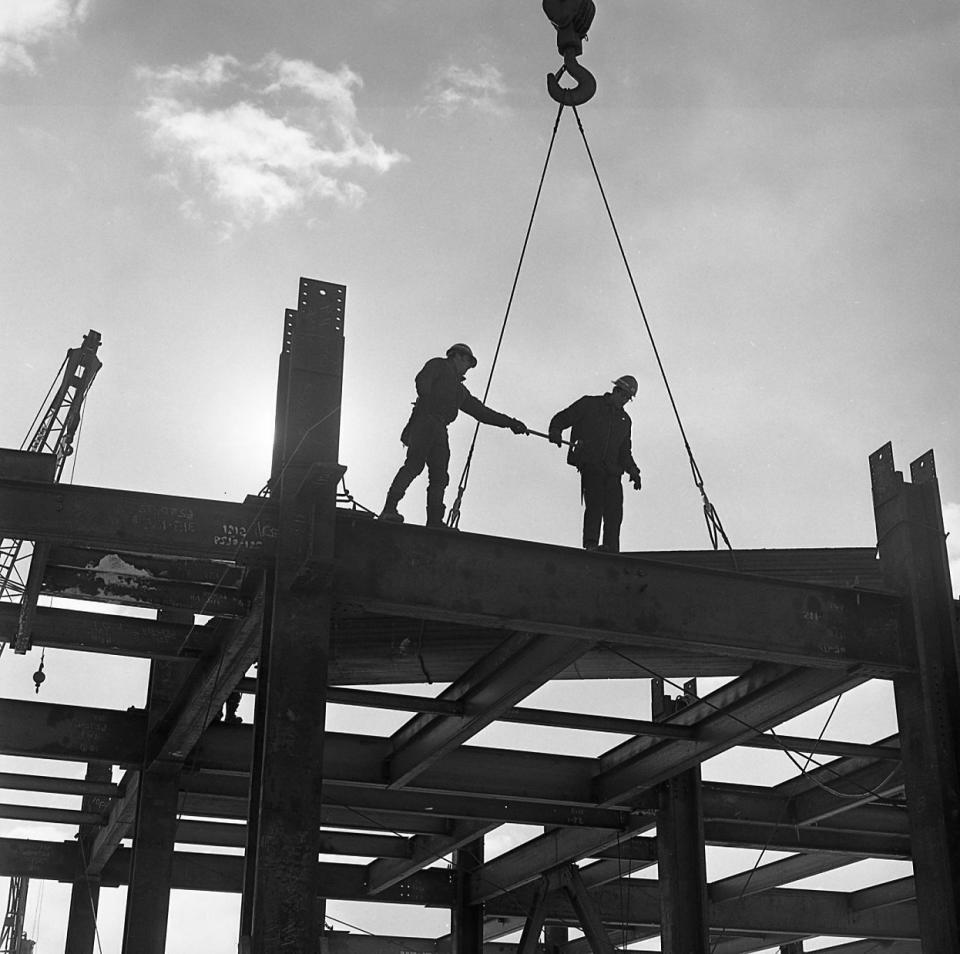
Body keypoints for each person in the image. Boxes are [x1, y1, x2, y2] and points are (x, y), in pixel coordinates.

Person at [380, 343, 528, 527]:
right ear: (457, 356)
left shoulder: (460, 391)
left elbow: (481, 412)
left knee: (439, 475)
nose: (467, 368)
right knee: (414, 465)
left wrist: (510, 423)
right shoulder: (439, 365)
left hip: (440, 428)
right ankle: (389, 508)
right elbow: (422, 380)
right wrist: (427, 402)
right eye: (467, 362)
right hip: (425, 421)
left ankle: (434, 520)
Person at [548, 375, 642, 552]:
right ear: (616, 391)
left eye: (627, 399)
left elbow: (624, 451)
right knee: (595, 505)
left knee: (614, 512)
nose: (624, 401)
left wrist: (633, 471)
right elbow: (564, 417)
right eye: (623, 396)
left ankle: (611, 549)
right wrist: (555, 430)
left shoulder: (624, 421)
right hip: (591, 464)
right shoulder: (590, 405)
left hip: (613, 471)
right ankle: (591, 545)